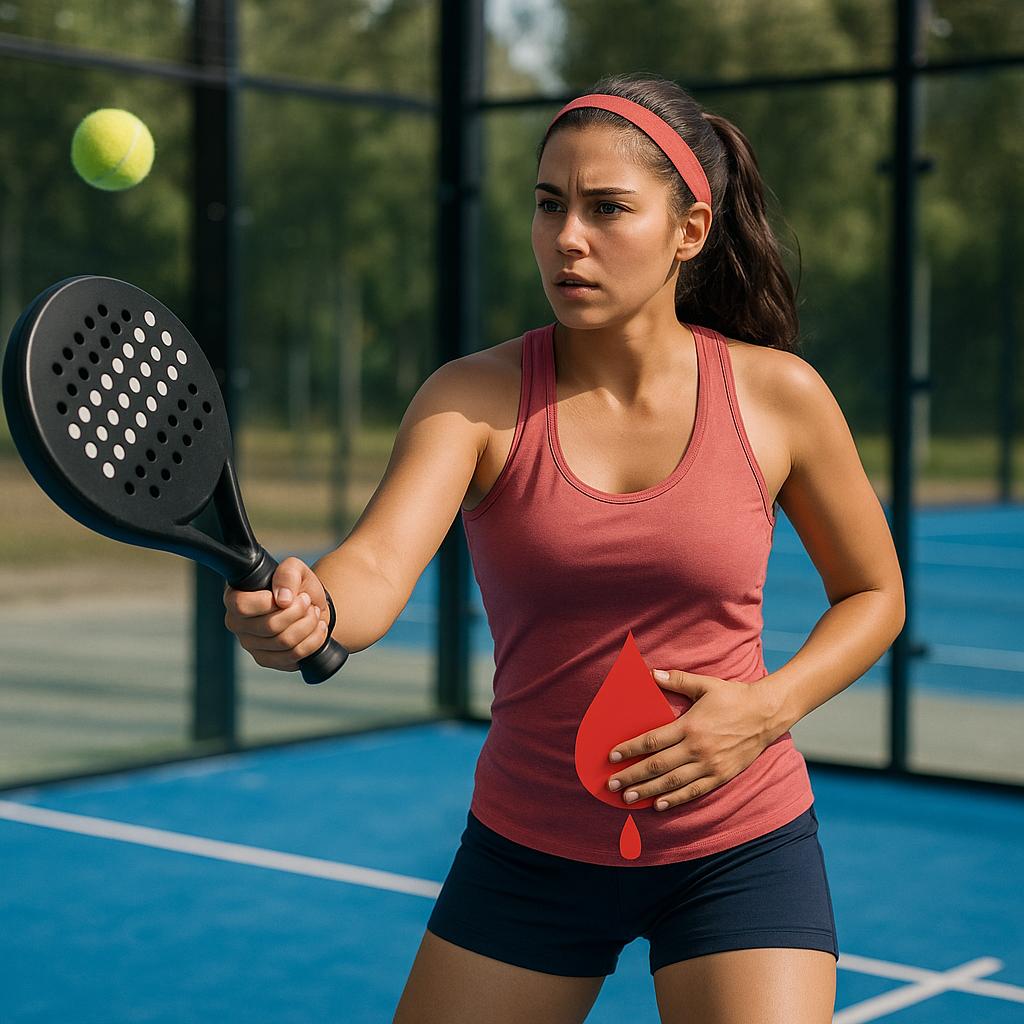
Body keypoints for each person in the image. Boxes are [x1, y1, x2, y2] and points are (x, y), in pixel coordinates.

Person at [224, 72, 905, 1024]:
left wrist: (764, 710)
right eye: (549, 205)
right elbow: (372, 572)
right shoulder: (474, 397)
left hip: (741, 847)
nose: (567, 238)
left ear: (689, 231)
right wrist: (308, 610)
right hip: (529, 854)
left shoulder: (779, 395)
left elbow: (874, 593)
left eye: (606, 208)